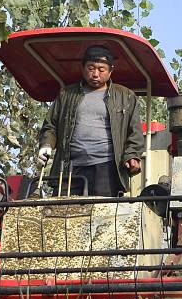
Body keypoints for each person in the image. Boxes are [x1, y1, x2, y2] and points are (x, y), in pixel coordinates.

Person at [36, 44, 145, 196]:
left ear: (110, 71)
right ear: (83, 68)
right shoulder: (67, 94)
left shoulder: (125, 96)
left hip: (106, 168)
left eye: (101, 69)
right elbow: (50, 126)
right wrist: (46, 145)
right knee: (62, 214)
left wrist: (132, 155)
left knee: (102, 214)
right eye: (91, 68)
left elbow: (135, 133)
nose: (95, 74)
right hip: (69, 167)